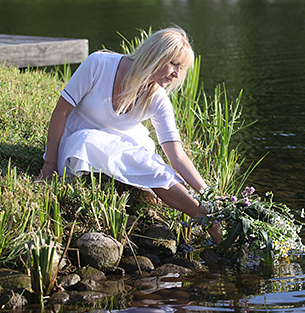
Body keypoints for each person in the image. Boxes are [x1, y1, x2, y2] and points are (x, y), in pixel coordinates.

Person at [38, 27, 221, 244]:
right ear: (155, 54)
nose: (177, 75)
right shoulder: (99, 64)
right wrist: (49, 165)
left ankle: (212, 216)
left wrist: (209, 194)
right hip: (79, 141)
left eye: (181, 69)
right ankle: (209, 220)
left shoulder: (157, 97)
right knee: (90, 142)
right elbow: (61, 112)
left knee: (152, 163)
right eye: (174, 64)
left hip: (123, 142)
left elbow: (177, 156)